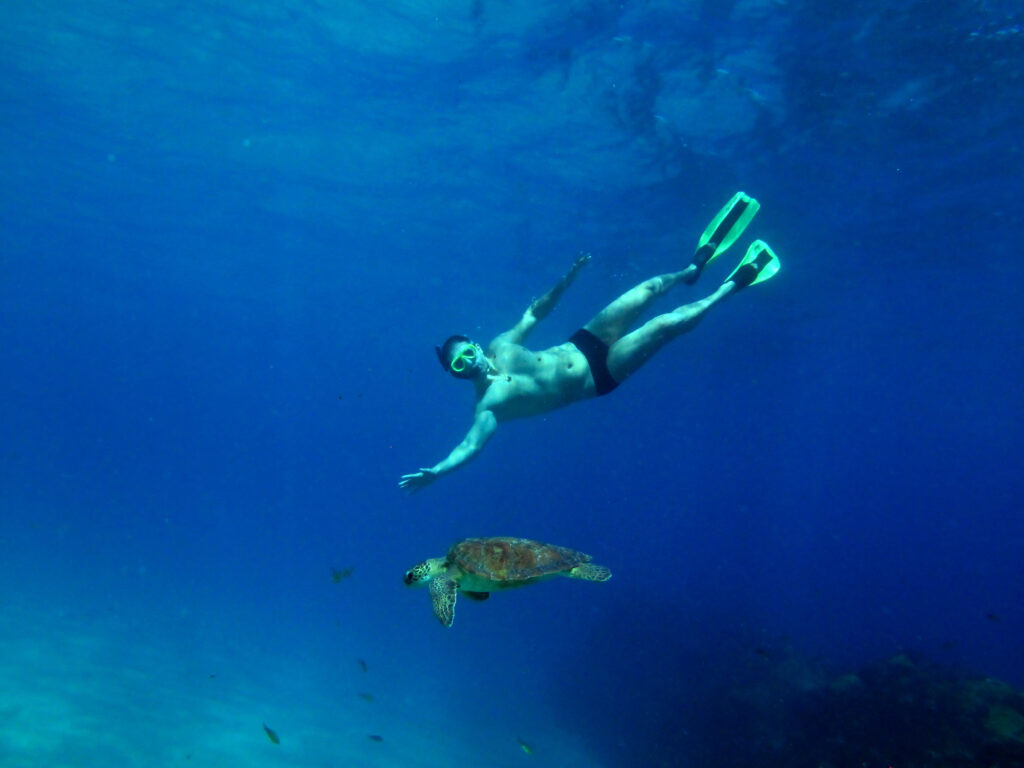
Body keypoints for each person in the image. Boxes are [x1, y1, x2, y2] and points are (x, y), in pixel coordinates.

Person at [399, 192, 780, 493]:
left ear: (475, 344)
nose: (470, 361)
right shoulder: (488, 406)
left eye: (467, 353)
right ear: (457, 374)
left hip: (583, 341)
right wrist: (437, 471)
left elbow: (533, 314)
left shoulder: (501, 344)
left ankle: (692, 269)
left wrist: (567, 279)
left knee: (647, 290)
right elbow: (471, 446)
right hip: (598, 378)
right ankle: (732, 285)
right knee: (666, 324)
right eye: (460, 365)